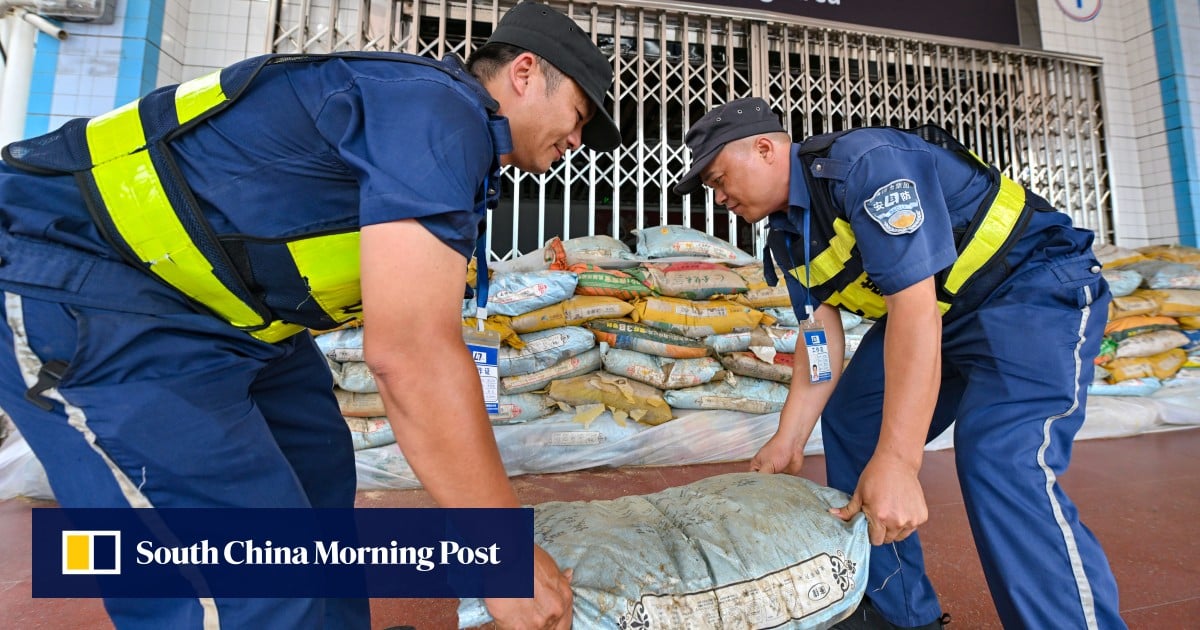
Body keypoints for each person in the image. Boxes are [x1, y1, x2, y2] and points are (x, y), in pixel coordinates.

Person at [0, 2, 618, 628]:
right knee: (246, 576)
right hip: (87, 290)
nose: (575, 142)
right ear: (524, 71)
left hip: (225, 315)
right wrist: (504, 558)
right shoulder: (437, 115)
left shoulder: (438, 125)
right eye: (578, 116)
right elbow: (410, 355)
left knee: (316, 475)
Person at [673, 97, 1125, 629]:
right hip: (948, 312)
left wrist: (900, 461)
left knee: (1001, 457)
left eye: (720, 179)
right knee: (852, 420)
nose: (720, 196)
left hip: (1030, 291)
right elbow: (819, 338)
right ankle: (901, 612)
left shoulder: (867, 166)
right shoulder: (789, 236)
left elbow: (912, 309)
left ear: (766, 148)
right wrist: (788, 439)